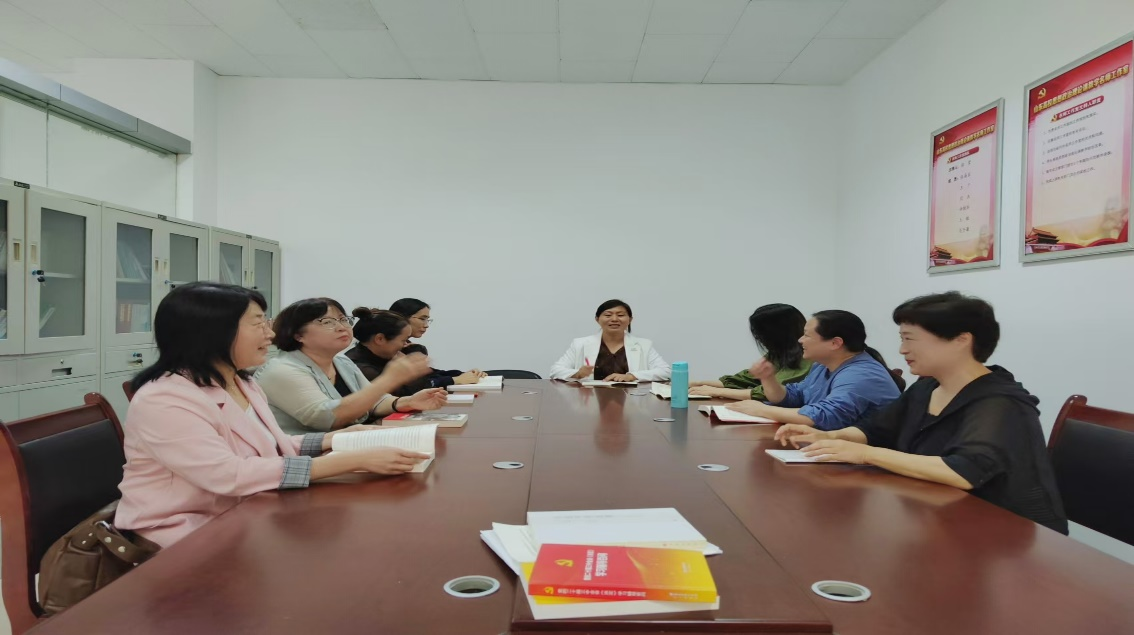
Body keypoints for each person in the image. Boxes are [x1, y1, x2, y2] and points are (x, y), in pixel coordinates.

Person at [115, 282, 433, 548]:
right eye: (258, 324)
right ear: (212, 331)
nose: (269, 334)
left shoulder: (242, 382)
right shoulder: (165, 398)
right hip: (183, 533)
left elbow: (273, 446)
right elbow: (229, 474)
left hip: (246, 511)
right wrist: (350, 460)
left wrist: (337, 439)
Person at [775, 292, 1068, 534]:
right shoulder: (928, 387)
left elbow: (963, 471)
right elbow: (876, 429)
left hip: (1005, 537)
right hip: (939, 519)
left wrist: (865, 454)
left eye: (909, 338)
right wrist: (829, 436)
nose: (902, 350)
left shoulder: (1001, 402)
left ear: (961, 340)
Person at [256, 298, 448, 435]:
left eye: (343, 319)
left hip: (347, 447)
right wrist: (389, 379)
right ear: (298, 334)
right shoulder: (282, 370)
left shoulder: (341, 362)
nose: (342, 327)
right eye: (327, 322)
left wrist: (407, 402)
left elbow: (374, 400)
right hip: (306, 459)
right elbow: (328, 419)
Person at [726, 310, 902, 429]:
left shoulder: (861, 374)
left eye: (807, 335)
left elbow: (827, 416)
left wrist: (762, 410)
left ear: (835, 343)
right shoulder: (822, 365)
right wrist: (768, 378)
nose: (800, 340)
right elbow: (795, 396)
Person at [690, 304, 813, 400]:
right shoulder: (779, 354)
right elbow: (745, 379)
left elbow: (771, 393)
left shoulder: (807, 357)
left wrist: (718, 391)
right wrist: (698, 383)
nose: (759, 338)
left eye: (761, 333)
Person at [549, 299, 671, 382]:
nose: (614, 319)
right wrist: (578, 374)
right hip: (591, 401)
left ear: (630, 320)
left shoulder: (644, 345)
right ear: (597, 319)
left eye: (620, 315)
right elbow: (555, 370)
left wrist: (632, 376)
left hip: (631, 401)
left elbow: (666, 372)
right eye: (608, 315)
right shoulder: (580, 344)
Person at [387, 298, 487, 388]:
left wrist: (463, 375)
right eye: (422, 319)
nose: (426, 325)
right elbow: (417, 385)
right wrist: (455, 380)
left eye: (427, 320)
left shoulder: (411, 347)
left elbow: (430, 374)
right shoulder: (388, 349)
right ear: (402, 318)